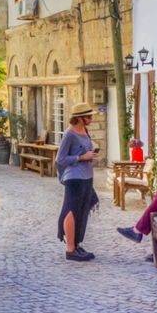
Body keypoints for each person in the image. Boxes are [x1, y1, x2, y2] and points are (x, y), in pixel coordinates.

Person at [55, 103, 99, 262]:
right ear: (79, 118)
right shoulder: (69, 134)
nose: (91, 119)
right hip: (73, 177)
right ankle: (70, 249)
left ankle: (77, 245)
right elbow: (60, 159)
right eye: (88, 116)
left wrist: (90, 156)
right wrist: (81, 158)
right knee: (71, 209)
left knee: (82, 209)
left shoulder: (85, 131)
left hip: (87, 176)